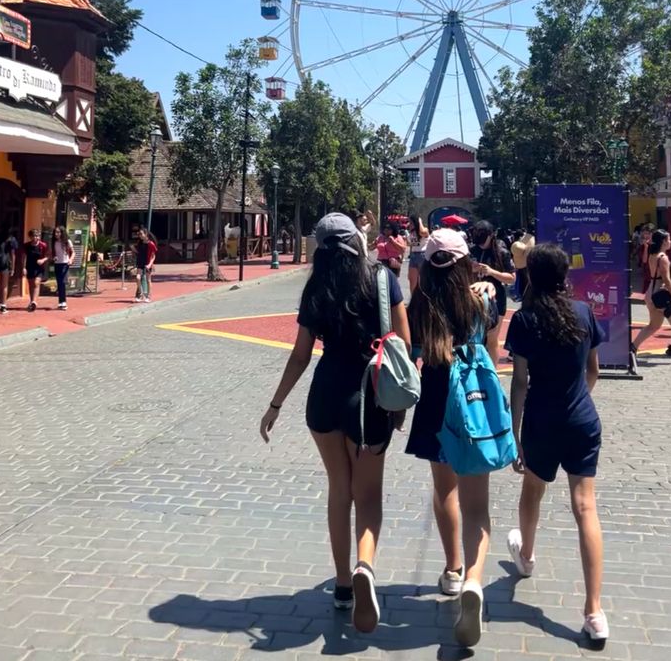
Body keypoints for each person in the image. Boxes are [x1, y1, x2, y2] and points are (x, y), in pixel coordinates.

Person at [260, 212, 409, 634]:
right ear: (355, 241)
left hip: (325, 396)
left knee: (338, 490)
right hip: (371, 395)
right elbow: (403, 340)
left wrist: (275, 405)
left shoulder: (315, 289)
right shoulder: (382, 279)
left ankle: (343, 585)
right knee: (369, 494)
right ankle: (365, 565)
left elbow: (301, 354)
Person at [506, 243, 608, 644]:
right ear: (566, 275)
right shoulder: (583, 312)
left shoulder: (525, 320)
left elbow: (518, 382)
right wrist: (579, 401)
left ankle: (526, 556)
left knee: (533, 490)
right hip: (583, 420)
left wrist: (515, 433)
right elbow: (593, 371)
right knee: (586, 508)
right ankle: (594, 611)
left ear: (531, 275)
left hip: (542, 421)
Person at [406, 228, 499, 648]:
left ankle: (452, 569)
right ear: (465, 262)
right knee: (477, 503)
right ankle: (475, 583)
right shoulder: (483, 300)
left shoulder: (420, 304)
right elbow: (493, 356)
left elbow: (412, 356)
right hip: (474, 402)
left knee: (444, 490)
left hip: (435, 398)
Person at [631, 229, 671, 363]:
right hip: (661, 294)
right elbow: (667, 280)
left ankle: (633, 347)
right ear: (663, 241)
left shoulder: (653, 255)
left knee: (653, 325)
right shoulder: (663, 258)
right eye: (668, 239)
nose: (670, 242)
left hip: (651, 293)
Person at [470, 220, 516, 363]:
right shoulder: (472, 250)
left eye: (483, 241)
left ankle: (492, 374)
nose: (481, 244)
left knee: (492, 339)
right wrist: (471, 269)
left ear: (491, 236)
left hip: (496, 299)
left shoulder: (502, 252)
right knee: (473, 338)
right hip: (474, 296)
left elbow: (512, 278)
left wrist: (491, 272)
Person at [23, 228, 49, 312]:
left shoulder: (43, 245)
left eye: (37, 236)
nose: (36, 238)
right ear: (30, 237)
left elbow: (48, 255)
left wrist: (43, 260)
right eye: (34, 236)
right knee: (31, 284)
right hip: (29, 266)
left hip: (39, 268)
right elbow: (24, 257)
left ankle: (34, 301)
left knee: (36, 283)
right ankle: (32, 301)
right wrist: (23, 267)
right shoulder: (26, 246)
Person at [51, 227, 75, 311]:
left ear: (62, 233)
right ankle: (60, 302)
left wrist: (71, 260)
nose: (56, 234)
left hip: (65, 263)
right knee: (59, 283)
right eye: (55, 233)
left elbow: (73, 252)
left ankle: (64, 302)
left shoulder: (67, 241)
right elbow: (54, 253)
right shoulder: (54, 242)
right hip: (57, 264)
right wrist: (54, 257)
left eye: (58, 232)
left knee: (62, 282)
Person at [511, 227, 535, 301]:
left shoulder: (516, 245)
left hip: (521, 266)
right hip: (526, 266)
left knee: (523, 281)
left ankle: (523, 296)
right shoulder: (520, 245)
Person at [407, 214, 429, 294]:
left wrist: (419, 221)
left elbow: (422, 232)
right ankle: (413, 300)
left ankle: (425, 299)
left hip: (422, 255)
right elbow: (414, 245)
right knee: (412, 279)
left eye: (411, 222)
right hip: (414, 255)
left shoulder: (425, 230)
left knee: (422, 279)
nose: (409, 224)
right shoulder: (412, 233)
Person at [134, 227, 157, 302]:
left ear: (145, 234)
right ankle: (140, 294)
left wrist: (150, 264)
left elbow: (153, 256)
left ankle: (148, 296)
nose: (140, 235)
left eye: (141, 234)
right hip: (140, 262)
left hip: (147, 263)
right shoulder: (140, 243)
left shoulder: (151, 244)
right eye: (139, 234)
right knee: (138, 278)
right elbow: (138, 252)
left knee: (148, 280)